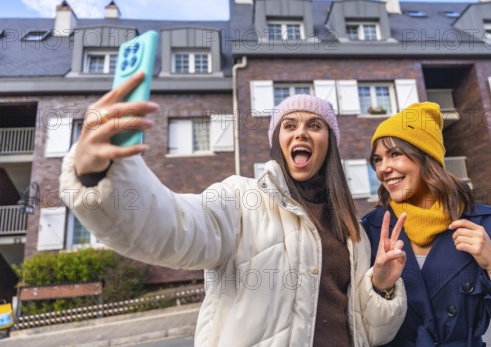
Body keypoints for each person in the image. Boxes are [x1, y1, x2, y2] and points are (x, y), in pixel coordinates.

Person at [59, 72, 408, 347]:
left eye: (314, 125)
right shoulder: (241, 200)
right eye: (289, 125)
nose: (301, 132)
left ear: (328, 144)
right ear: (278, 143)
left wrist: (380, 286)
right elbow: (175, 227)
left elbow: (371, 334)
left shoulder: (353, 231)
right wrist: (101, 174)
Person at [361, 102, 491, 347]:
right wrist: (380, 287)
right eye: (377, 159)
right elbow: (357, 328)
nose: (383, 168)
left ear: (426, 157)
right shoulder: (370, 231)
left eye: (395, 154)